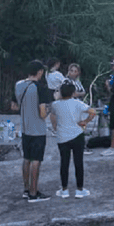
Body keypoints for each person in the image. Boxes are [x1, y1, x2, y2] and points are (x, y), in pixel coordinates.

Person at [14, 60, 53, 202]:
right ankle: (33, 193)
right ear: (40, 72)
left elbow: (13, 106)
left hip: (25, 129)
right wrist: (50, 109)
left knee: (26, 159)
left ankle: (26, 190)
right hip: (38, 130)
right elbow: (43, 114)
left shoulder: (19, 85)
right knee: (36, 161)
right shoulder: (41, 87)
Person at [50, 82, 96, 198]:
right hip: (77, 135)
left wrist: (55, 127)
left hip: (62, 136)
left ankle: (64, 190)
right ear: (73, 93)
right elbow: (93, 112)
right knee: (78, 162)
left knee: (64, 163)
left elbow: (52, 116)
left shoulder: (55, 105)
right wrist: (85, 122)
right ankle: (79, 190)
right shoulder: (77, 103)